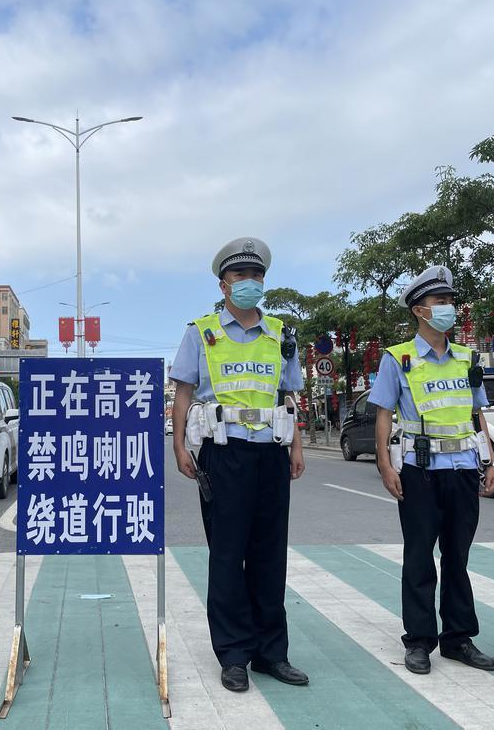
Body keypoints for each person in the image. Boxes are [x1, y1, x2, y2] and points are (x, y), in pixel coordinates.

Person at [171, 237, 308, 693]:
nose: (250, 283)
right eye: (240, 276)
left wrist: (297, 447)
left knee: (270, 555)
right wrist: (179, 446)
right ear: (223, 284)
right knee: (228, 556)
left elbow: (290, 395)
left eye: (257, 276)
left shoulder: (280, 334)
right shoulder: (201, 332)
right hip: (222, 452)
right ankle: (233, 654)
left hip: (270, 452)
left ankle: (272, 654)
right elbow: (184, 392)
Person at [369, 265, 494, 675]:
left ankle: (459, 639)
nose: (449, 309)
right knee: (419, 557)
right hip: (419, 471)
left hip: (462, 469)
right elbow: (383, 415)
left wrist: (491, 460)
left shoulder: (467, 358)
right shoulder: (398, 358)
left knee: (457, 557)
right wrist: (384, 465)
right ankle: (420, 641)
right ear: (419, 311)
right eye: (440, 302)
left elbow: (479, 413)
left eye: (449, 301)